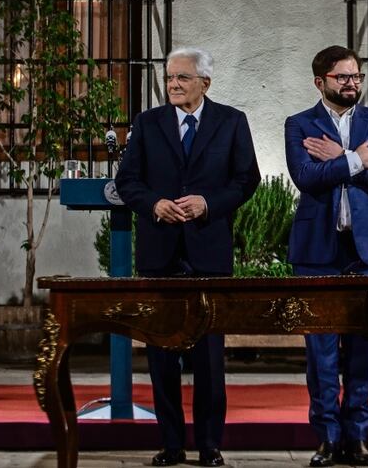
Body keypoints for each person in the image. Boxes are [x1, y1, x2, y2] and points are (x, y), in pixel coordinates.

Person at [116, 47, 259, 468]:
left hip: (208, 253)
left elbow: (246, 179)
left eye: (182, 78)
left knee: (209, 361)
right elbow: (127, 180)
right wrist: (154, 203)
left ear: (205, 83)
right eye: (170, 78)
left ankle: (210, 446)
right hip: (160, 252)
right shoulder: (147, 123)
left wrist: (209, 204)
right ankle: (171, 445)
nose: (173, 85)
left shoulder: (232, 122)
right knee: (161, 358)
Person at [284, 45, 368, 467]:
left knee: (364, 350)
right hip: (318, 252)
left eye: (356, 76)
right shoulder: (299, 124)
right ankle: (327, 439)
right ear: (321, 82)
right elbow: (306, 178)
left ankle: (357, 438)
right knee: (321, 354)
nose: (352, 83)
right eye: (342, 77)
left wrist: (339, 158)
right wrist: (356, 158)